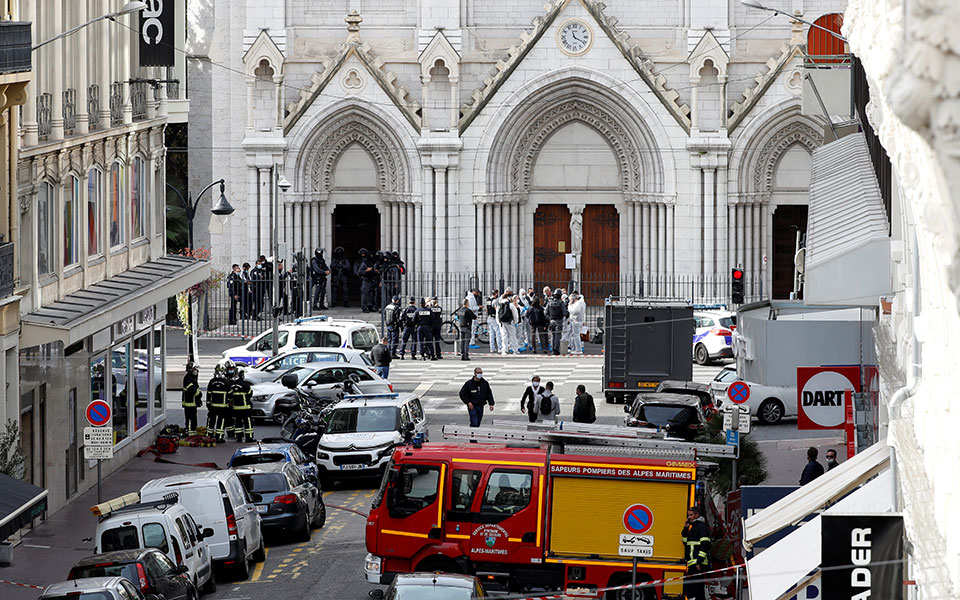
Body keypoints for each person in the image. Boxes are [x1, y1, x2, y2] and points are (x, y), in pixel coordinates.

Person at [682, 506, 712, 600]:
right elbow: (685, 542)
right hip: (693, 563)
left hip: (698, 563)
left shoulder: (702, 527)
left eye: (691, 515)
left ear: (697, 515)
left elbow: (705, 545)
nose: (689, 517)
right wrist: (685, 529)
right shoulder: (694, 527)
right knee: (695, 589)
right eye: (688, 515)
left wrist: (699, 562)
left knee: (693, 588)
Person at [206, 359, 232, 442]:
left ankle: (208, 436)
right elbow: (230, 395)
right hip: (223, 407)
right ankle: (219, 437)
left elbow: (208, 394)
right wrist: (229, 403)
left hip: (213, 406)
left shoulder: (211, 382)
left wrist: (208, 404)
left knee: (211, 421)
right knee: (221, 421)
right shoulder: (226, 382)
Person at [229, 366, 255, 443]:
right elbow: (250, 393)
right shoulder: (245, 384)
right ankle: (249, 437)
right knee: (248, 422)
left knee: (238, 423)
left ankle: (239, 437)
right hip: (245, 408)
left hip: (236, 408)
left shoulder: (231, 384)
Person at [181, 361, 202, 435]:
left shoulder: (192, 378)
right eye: (194, 369)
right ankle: (190, 432)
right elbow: (193, 390)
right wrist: (199, 394)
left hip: (192, 402)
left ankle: (193, 431)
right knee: (190, 418)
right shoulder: (188, 378)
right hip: (189, 403)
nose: (196, 371)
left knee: (193, 418)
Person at [546, 290, 569, 355]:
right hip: (559, 321)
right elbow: (565, 313)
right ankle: (556, 349)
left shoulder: (549, 302)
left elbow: (545, 312)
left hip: (551, 320)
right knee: (557, 336)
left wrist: (549, 318)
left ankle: (552, 348)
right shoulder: (561, 303)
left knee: (553, 335)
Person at [497, 289, 519, 355]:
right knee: (513, 336)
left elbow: (497, 315)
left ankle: (504, 350)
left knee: (504, 336)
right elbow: (515, 314)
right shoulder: (510, 305)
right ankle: (515, 350)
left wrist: (499, 322)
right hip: (510, 322)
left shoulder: (499, 305)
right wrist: (515, 322)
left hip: (502, 323)